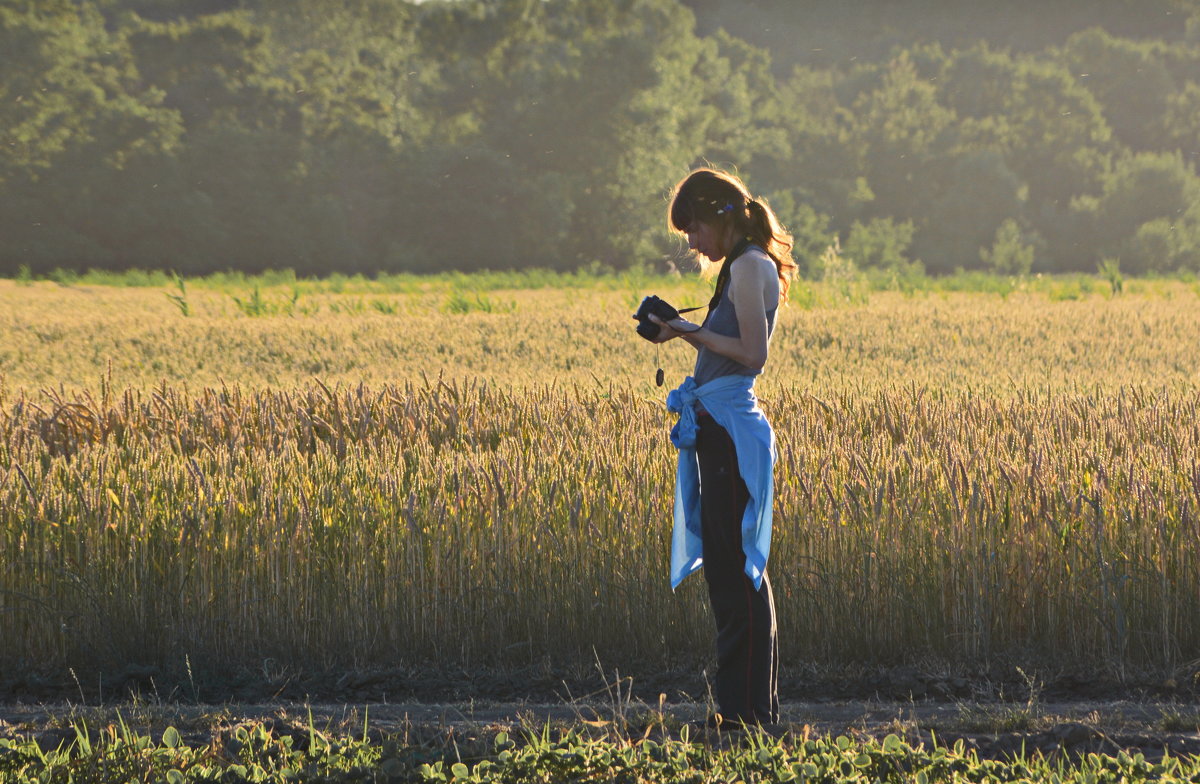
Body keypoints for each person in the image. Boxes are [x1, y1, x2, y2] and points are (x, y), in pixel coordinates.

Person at [648, 167, 796, 728]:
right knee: (728, 572)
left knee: (737, 573)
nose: (691, 242)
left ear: (718, 215)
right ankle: (744, 709)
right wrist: (677, 330)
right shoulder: (740, 266)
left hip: (732, 432)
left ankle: (747, 715)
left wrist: (687, 333)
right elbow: (728, 345)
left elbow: (752, 354)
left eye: (693, 228)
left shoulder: (752, 265)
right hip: (718, 432)